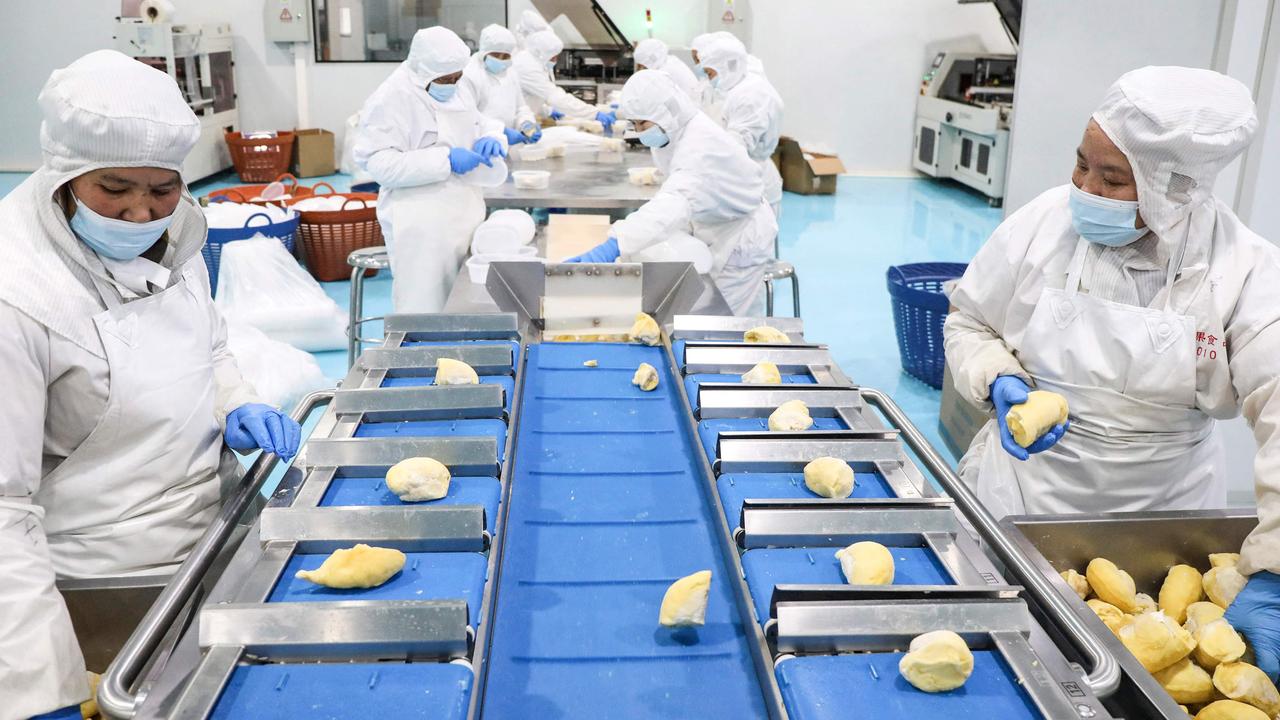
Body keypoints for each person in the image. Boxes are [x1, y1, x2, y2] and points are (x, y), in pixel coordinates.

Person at [944, 66, 1280, 679]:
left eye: (1113, 177)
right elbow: (969, 323)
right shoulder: (1043, 226)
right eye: (1081, 164)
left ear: (1174, 188)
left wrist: (1279, 566)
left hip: (1162, 518)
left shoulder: (1246, 272)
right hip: (1023, 489)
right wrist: (996, 375)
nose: (1083, 188)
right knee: (995, 659)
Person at [0, 50, 301, 719]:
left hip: (212, 535)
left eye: (161, 188)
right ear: (63, 172)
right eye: (115, 189)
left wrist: (236, 399)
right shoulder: (17, 294)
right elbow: (2, 508)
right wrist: (33, 685)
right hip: (104, 579)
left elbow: (206, 341)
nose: (141, 214)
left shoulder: (176, 233)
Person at [565, 70, 777, 316]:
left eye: (643, 123)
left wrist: (615, 244)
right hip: (714, 225)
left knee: (722, 319)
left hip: (739, 236)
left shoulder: (698, 147)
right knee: (706, 306)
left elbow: (673, 204)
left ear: (666, 113)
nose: (639, 131)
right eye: (634, 124)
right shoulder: (677, 130)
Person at [354, 26, 509, 313]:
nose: (452, 83)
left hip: (463, 208)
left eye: (457, 77)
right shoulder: (391, 98)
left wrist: (492, 136)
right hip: (420, 220)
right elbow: (380, 164)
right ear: (422, 72)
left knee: (463, 298)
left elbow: (479, 120)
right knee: (425, 305)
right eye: (445, 79)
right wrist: (445, 160)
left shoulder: (455, 82)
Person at [698, 34, 784, 217]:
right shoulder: (740, 89)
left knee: (752, 241)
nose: (709, 79)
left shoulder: (751, 95)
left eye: (710, 73)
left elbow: (738, 145)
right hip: (745, 177)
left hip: (754, 181)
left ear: (727, 66)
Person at [513, 30, 616, 131]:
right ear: (542, 53)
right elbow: (555, 97)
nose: (555, 61)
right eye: (553, 57)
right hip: (517, 124)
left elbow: (529, 97)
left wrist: (548, 111)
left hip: (523, 121)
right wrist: (594, 114)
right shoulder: (527, 67)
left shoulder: (535, 62)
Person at [461, 24, 542, 148]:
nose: (501, 60)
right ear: (484, 52)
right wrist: (499, 130)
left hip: (506, 146)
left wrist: (526, 123)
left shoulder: (510, 71)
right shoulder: (470, 74)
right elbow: (468, 117)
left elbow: (521, 107)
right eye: (496, 55)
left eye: (506, 56)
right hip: (481, 145)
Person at [633, 38, 700, 103]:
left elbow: (655, 98)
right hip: (689, 104)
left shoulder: (665, 70)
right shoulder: (669, 61)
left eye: (641, 65)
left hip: (688, 107)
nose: (640, 69)